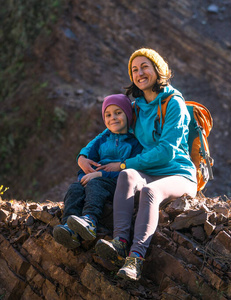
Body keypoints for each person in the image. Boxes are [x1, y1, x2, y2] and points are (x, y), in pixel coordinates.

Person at [77, 48, 197, 281]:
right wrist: (82, 155)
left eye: (145, 67)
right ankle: (119, 243)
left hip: (179, 173)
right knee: (128, 176)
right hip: (149, 171)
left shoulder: (174, 104)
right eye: (134, 69)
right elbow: (110, 129)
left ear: (157, 70)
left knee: (149, 190)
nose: (139, 73)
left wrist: (123, 164)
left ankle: (136, 259)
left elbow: (165, 152)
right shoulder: (138, 107)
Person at [53, 94, 142, 249]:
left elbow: (132, 170)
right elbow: (88, 161)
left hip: (116, 181)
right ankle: (69, 228)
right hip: (94, 178)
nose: (113, 118)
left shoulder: (134, 143)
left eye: (118, 113)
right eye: (108, 115)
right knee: (75, 188)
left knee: (96, 185)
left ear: (128, 115)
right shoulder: (101, 140)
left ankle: (90, 221)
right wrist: (84, 176)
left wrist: (101, 174)